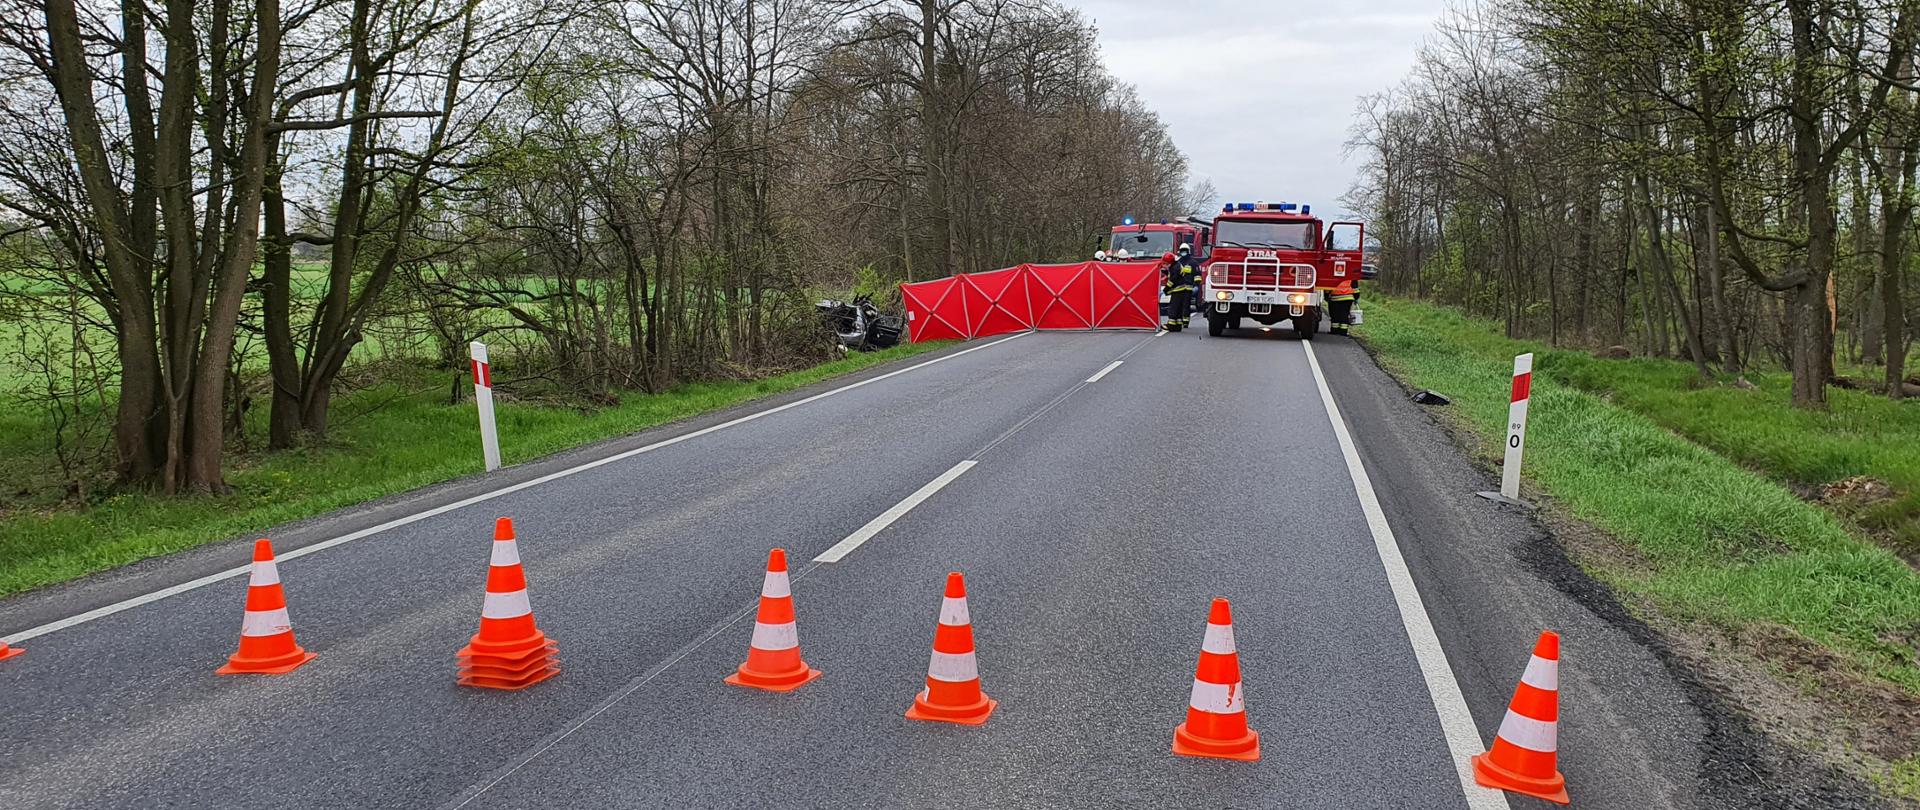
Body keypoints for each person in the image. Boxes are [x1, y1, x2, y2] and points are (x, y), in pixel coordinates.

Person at [1163, 250, 1199, 332]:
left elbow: (1172, 281)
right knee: (1179, 309)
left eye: (1166, 263)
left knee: (1173, 308)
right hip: (1182, 290)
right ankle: (1178, 326)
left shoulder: (1175, 267)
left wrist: (1165, 290)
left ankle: (1171, 325)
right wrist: (1165, 272)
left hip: (1178, 290)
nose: (1165, 264)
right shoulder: (1176, 265)